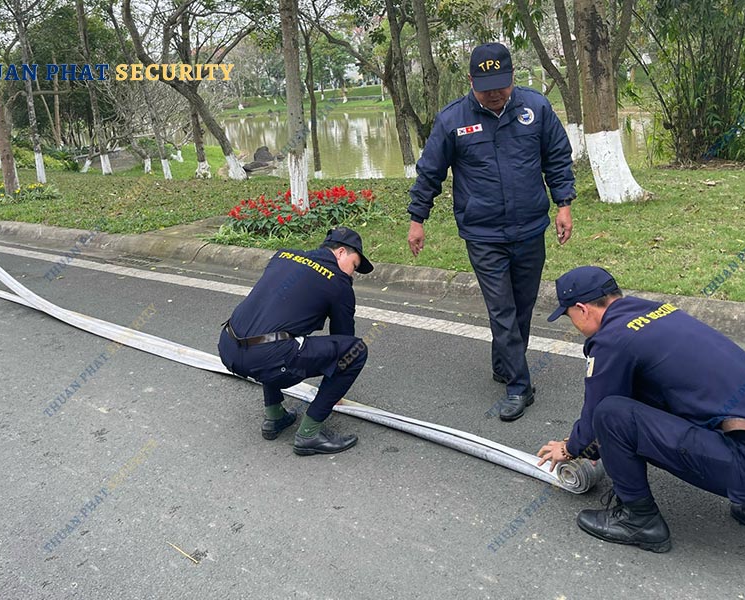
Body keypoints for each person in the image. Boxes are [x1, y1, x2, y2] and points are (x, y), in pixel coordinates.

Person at [537, 266, 745, 553]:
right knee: (652, 393)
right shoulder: (662, 312)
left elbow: (597, 413)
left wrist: (572, 448)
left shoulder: (612, 339)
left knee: (611, 414)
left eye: (569, 316)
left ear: (582, 309)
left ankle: (639, 520)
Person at [407, 42, 575, 421]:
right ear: (470, 81)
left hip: (531, 227)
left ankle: (505, 365)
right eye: (486, 86)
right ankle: (520, 386)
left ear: (513, 76)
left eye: (501, 83)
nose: (495, 93)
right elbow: (430, 172)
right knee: (501, 309)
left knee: (522, 306)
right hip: (483, 233)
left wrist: (563, 204)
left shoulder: (537, 109)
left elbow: (558, 158)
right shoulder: (452, 120)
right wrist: (418, 219)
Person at [218, 227, 374, 455]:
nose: (352, 274)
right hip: (267, 357)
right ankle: (309, 434)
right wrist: (334, 387)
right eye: (354, 266)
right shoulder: (339, 283)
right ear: (341, 252)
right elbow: (344, 339)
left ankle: (275, 417)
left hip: (228, 346)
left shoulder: (283, 255)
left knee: (278, 334)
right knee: (356, 351)